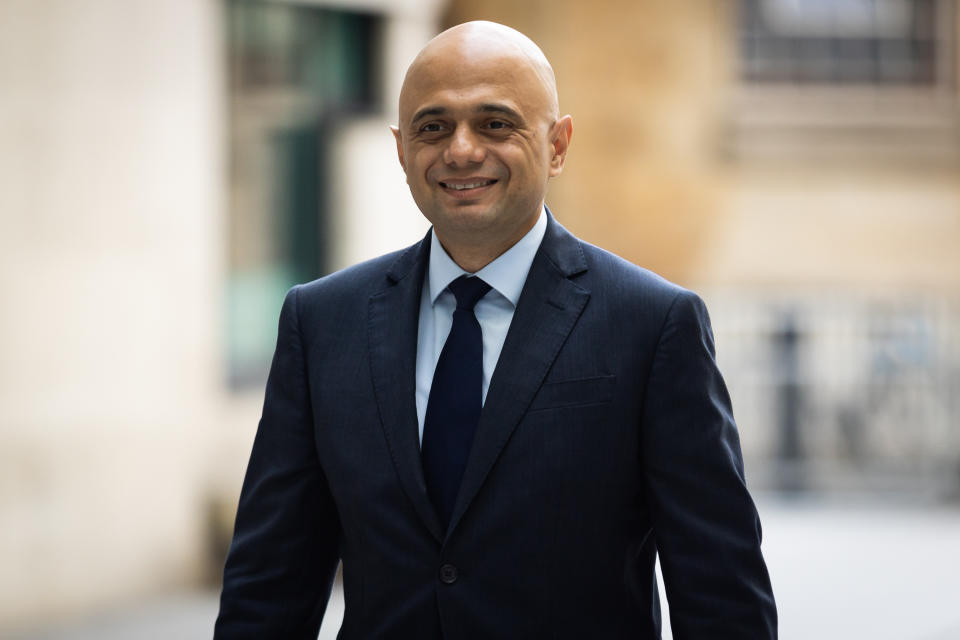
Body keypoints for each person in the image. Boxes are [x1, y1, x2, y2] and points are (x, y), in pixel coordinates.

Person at [215, 20, 777, 639]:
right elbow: (269, 585)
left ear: (558, 145)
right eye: (433, 127)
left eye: (495, 123)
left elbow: (722, 597)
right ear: (403, 150)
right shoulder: (321, 322)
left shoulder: (652, 324)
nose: (460, 150)